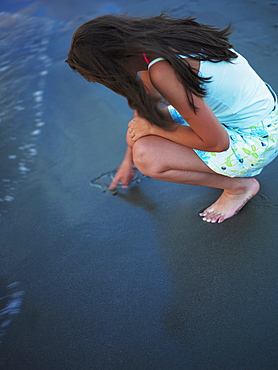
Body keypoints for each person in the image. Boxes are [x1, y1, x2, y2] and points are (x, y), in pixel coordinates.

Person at [66, 13, 278, 223]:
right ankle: (141, 149)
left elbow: (217, 143)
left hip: (259, 139)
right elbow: (146, 105)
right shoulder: (158, 43)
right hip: (260, 115)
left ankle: (238, 187)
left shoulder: (164, 72)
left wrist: (153, 130)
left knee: (147, 158)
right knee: (140, 130)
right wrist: (127, 161)